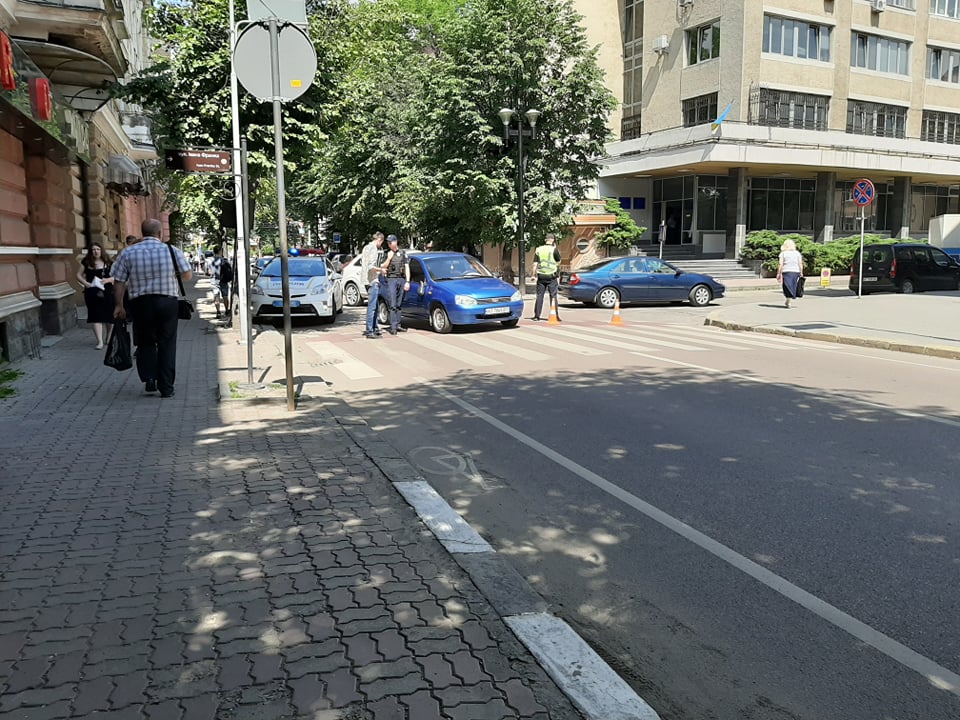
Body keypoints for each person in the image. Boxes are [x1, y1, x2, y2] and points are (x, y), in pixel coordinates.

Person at [111, 218, 193, 398]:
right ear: (160, 233)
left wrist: (119, 305)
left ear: (142, 233)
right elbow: (187, 275)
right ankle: (166, 387)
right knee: (167, 343)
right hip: (167, 302)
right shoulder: (172, 250)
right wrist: (171, 274)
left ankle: (149, 378)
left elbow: (119, 281)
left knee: (145, 341)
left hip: (140, 303)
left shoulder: (128, 252)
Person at [77, 242, 116, 349]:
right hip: (92, 292)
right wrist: (86, 284)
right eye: (93, 249)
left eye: (98, 249)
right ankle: (99, 341)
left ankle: (108, 336)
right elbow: (78, 275)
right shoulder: (86, 262)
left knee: (109, 316)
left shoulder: (109, 262)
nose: (96, 252)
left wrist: (108, 280)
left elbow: (117, 276)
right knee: (95, 316)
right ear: (90, 251)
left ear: (101, 250)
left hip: (107, 292)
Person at [380, 234, 409, 335]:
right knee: (392, 304)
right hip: (391, 279)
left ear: (395, 242)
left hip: (401, 279)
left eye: (390, 242)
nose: (389, 244)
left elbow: (407, 267)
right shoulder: (386, 254)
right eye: (388, 242)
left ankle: (398, 325)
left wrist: (407, 281)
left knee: (399, 304)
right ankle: (393, 327)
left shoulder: (402, 253)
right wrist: (389, 258)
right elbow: (383, 266)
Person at [360, 231, 385, 338]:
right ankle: (370, 330)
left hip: (365, 280)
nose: (381, 245)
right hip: (372, 280)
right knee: (373, 306)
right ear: (379, 239)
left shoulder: (366, 247)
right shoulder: (373, 249)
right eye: (381, 242)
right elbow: (371, 267)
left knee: (375, 306)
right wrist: (381, 270)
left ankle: (374, 327)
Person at [531, 233, 562, 321]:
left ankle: (537, 316)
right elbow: (559, 261)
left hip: (541, 276)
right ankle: (555, 316)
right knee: (553, 296)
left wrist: (533, 275)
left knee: (539, 296)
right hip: (552, 276)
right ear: (552, 240)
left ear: (545, 240)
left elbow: (535, 264)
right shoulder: (554, 250)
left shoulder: (539, 249)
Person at [777, 238, 804, 308]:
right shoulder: (797, 253)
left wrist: (778, 273)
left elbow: (780, 264)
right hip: (796, 271)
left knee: (786, 286)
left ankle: (788, 300)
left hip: (786, 271)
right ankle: (789, 300)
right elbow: (800, 263)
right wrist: (801, 272)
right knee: (793, 285)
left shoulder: (783, 253)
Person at [211, 247, 232, 319]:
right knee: (225, 296)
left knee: (216, 296)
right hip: (224, 280)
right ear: (220, 251)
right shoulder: (225, 260)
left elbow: (209, 272)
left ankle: (218, 312)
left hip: (215, 280)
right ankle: (226, 310)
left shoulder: (212, 261)